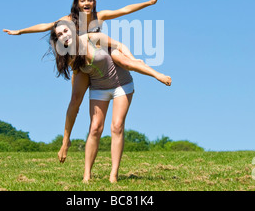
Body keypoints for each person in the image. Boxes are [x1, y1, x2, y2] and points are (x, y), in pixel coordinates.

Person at [3, 0, 163, 161]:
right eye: (82, 0)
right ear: (77, 4)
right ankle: (66, 141)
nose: (86, 3)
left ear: (94, 2)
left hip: (99, 59)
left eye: (89, 0)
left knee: (118, 60)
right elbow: (47, 26)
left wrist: (149, 2)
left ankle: (139, 69)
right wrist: (20, 31)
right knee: (74, 101)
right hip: (82, 67)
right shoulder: (69, 20)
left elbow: (124, 10)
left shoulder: (99, 16)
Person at [49, 20, 171, 183]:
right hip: (99, 88)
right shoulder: (70, 58)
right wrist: (65, 142)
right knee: (94, 128)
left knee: (117, 126)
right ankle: (87, 176)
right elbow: (74, 104)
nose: (64, 35)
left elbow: (119, 45)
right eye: (59, 34)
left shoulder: (92, 38)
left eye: (66, 31)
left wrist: (135, 60)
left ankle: (113, 175)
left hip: (121, 84)